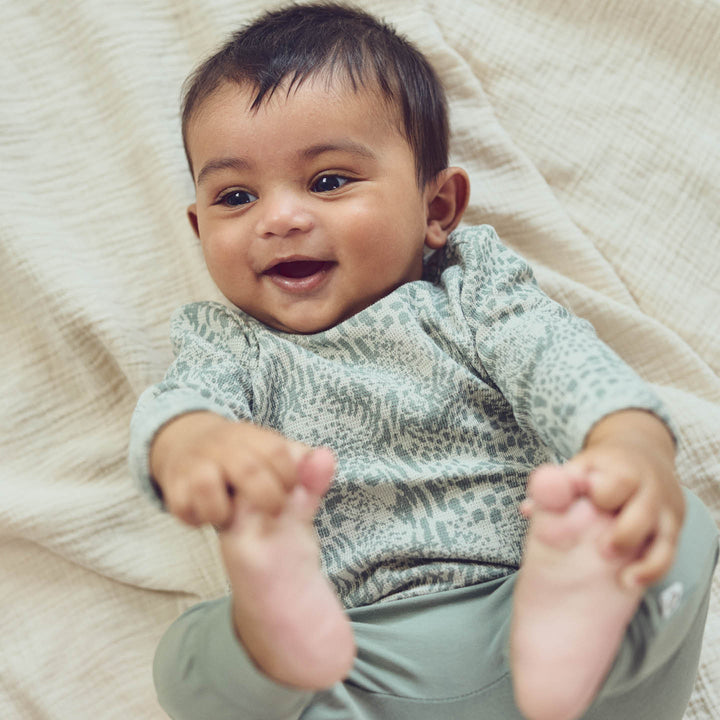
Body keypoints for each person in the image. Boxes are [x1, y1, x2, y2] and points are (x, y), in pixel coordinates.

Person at [129, 3, 718, 719]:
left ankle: (581, 600)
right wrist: (193, 440)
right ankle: (272, 630)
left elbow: (559, 363)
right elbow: (181, 404)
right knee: (188, 660)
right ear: (199, 228)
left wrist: (627, 442)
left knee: (675, 518)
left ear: (438, 208)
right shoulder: (231, 346)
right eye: (236, 196)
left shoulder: (475, 297)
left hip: (539, 622)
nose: (277, 218)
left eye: (327, 181)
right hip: (350, 661)